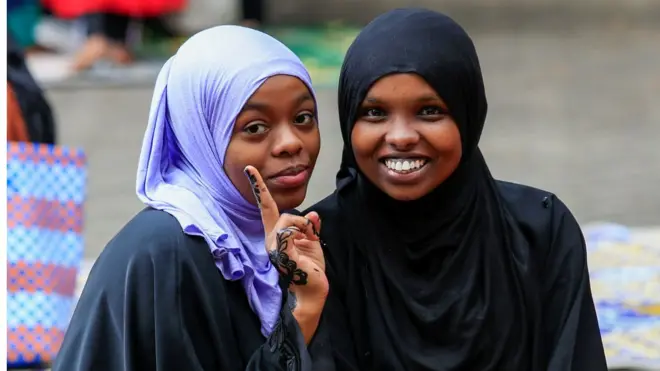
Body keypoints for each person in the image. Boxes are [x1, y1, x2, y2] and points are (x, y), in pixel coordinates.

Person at [307, 8, 608, 370]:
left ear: (468, 116)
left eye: (430, 111)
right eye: (374, 113)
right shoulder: (318, 245)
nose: (401, 136)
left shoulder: (540, 232)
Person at [53, 25, 336, 370]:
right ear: (201, 135)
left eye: (303, 118)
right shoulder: (167, 253)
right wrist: (302, 314)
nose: (292, 142)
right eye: (255, 127)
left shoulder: (288, 243)